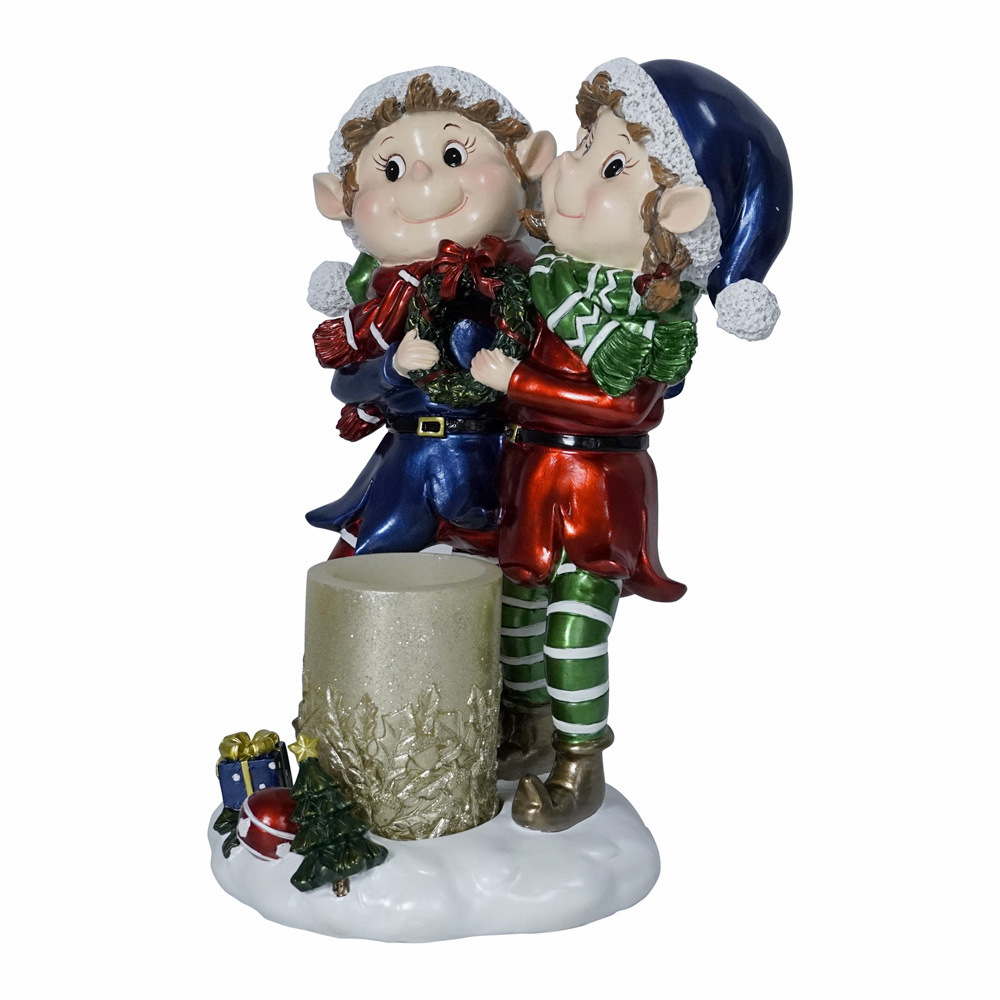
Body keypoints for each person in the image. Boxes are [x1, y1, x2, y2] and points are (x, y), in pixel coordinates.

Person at [471, 58, 792, 830]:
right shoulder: (545, 277)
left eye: (612, 164)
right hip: (530, 470)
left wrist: (518, 380)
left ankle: (580, 762)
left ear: (677, 212)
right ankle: (527, 727)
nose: (573, 167)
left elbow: (624, 405)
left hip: (597, 483)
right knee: (515, 609)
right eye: (584, 145)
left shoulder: (651, 319)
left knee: (574, 625)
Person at [303, 67, 554, 556]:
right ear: (338, 201)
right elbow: (347, 385)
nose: (421, 176)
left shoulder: (532, 287)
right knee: (367, 568)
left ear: (526, 164)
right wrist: (393, 367)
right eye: (392, 169)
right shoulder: (381, 311)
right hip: (408, 461)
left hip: (504, 463)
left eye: (453, 155)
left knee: (509, 576)